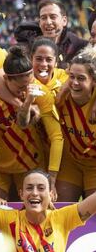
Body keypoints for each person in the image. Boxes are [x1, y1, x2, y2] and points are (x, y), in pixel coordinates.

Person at [0, 120, 96, 252]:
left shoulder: (63, 218)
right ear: (21, 194)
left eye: (41, 188)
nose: (34, 193)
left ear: (51, 194)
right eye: (29, 188)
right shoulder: (10, 220)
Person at [0, 46, 63, 204]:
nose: (26, 91)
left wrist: (51, 180)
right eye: (20, 88)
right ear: (6, 80)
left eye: (29, 84)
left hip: (31, 166)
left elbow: (57, 137)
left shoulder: (40, 93)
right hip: (0, 169)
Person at [56, 46, 96, 202]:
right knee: (62, 208)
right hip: (71, 161)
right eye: (71, 77)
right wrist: (62, 90)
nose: (75, 83)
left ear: (93, 81)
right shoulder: (60, 96)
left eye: (81, 78)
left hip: (94, 165)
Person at [15, 0, 87, 69]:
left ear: (64, 21)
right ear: (39, 22)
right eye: (43, 18)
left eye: (53, 17)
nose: (48, 22)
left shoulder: (76, 44)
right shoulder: (26, 46)